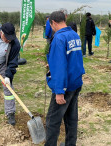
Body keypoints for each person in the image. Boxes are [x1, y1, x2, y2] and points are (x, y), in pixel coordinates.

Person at [45, 11, 85, 146]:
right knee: (71, 118)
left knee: (52, 121)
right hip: (76, 82)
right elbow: (73, 59)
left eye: (50, 25)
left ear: (53, 23)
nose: (51, 28)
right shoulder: (74, 35)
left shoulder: (59, 38)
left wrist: (59, 91)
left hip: (65, 86)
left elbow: (60, 66)